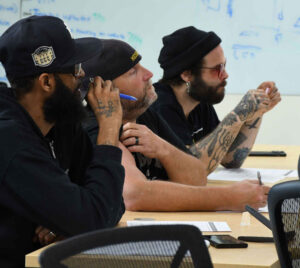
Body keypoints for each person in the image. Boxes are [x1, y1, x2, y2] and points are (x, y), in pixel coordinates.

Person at [82, 38, 270, 213]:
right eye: (133, 72)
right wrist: (229, 197)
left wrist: (162, 148)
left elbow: (197, 177)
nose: (149, 74)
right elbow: (134, 195)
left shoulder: (145, 115)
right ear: (102, 89)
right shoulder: (97, 128)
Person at [0, 16, 125, 268]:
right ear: (46, 82)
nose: (83, 78)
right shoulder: (10, 141)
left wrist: (66, 218)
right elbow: (96, 216)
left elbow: (111, 203)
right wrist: (109, 129)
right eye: (76, 69)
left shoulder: (61, 122)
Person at [152, 26, 281, 169]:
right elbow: (188, 170)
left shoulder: (198, 100)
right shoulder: (160, 107)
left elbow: (230, 159)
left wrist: (255, 112)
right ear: (187, 75)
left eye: (224, 66)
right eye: (217, 69)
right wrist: (237, 115)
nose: (225, 75)